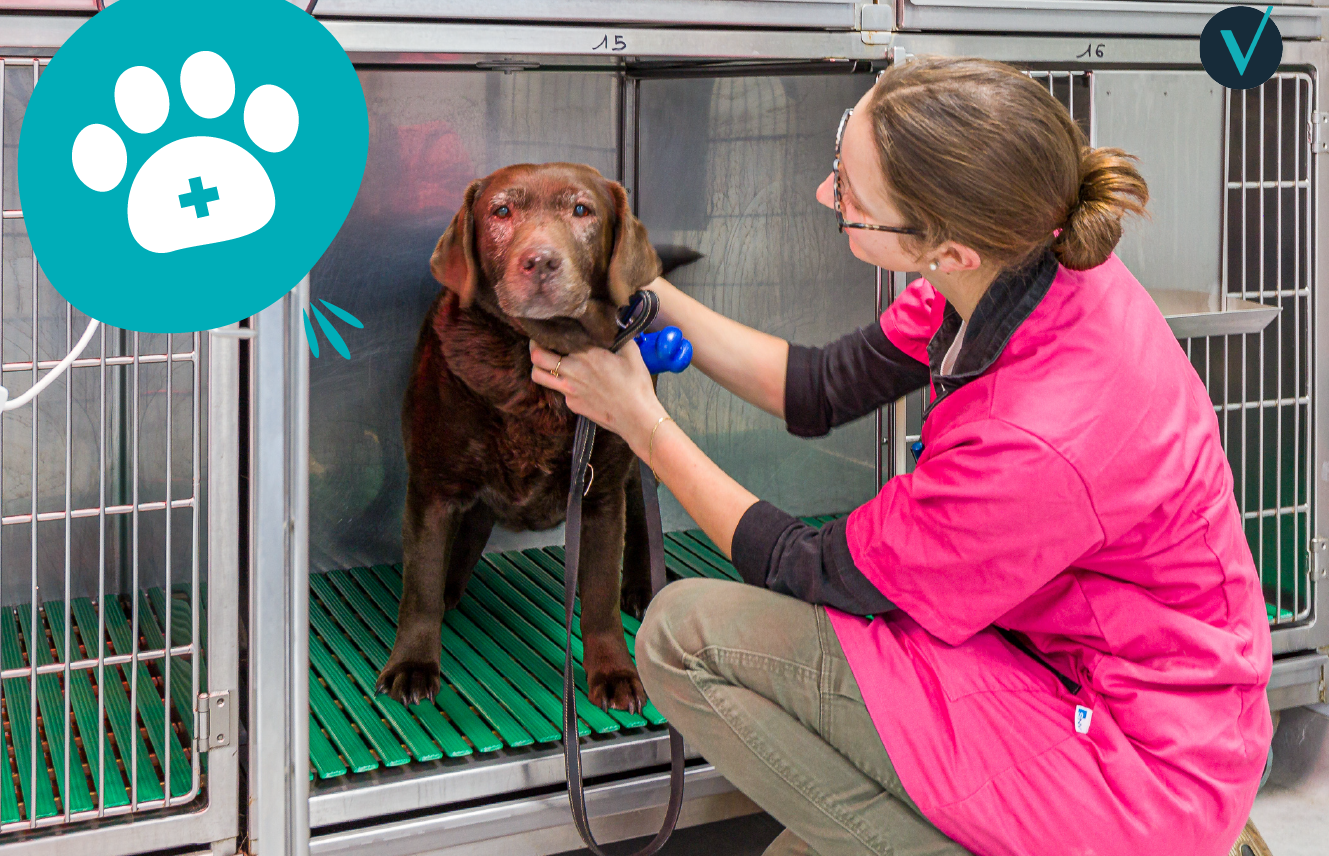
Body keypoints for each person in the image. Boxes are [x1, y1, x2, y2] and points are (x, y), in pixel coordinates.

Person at [529, 56, 1273, 856]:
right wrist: (641, 283)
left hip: (1131, 763)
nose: (826, 195)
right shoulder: (1013, 261)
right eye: (841, 158)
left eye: (850, 194)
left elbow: (817, 570)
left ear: (944, 248)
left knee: (681, 632)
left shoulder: (1038, 439)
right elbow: (819, 387)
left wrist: (641, 425)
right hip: (1066, 670)